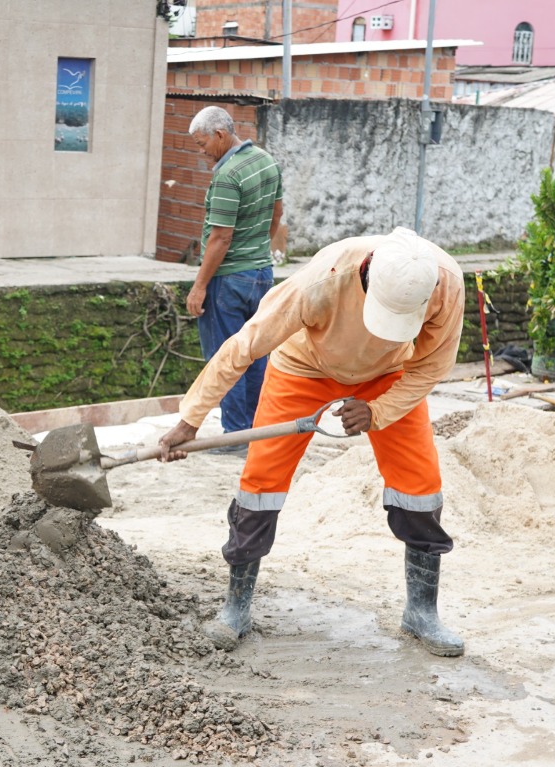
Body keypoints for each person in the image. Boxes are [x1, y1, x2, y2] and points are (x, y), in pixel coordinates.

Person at [158, 227, 467, 657]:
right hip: (305, 368)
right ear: (366, 281)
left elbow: (432, 366)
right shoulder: (322, 281)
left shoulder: (446, 284)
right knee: (261, 482)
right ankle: (236, 608)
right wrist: (190, 419)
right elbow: (244, 347)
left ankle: (421, 613)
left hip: (391, 376)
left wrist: (376, 411)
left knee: (420, 486)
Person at [185, 105, 285, 439]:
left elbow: (220, 237)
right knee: (257, 354)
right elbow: (276, 217)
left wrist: (199, 287)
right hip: (262, 274)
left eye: (202, 144)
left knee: (227, 358)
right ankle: (258, 428)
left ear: (220, 135)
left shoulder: (227, 176)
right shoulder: (267, 161)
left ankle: (235, 435)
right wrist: (257, 252)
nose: (202, 153)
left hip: (229, 280)